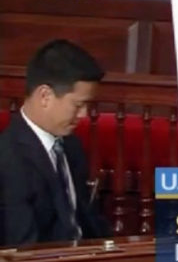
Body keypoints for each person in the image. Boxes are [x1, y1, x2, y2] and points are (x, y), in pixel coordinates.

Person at [0, 39, 111, 246]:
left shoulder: (71, 146)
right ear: (45, 96)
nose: (84, 115)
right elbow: (23, 248)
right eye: (78, 105)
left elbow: (88, 222)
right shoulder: (8, 159)